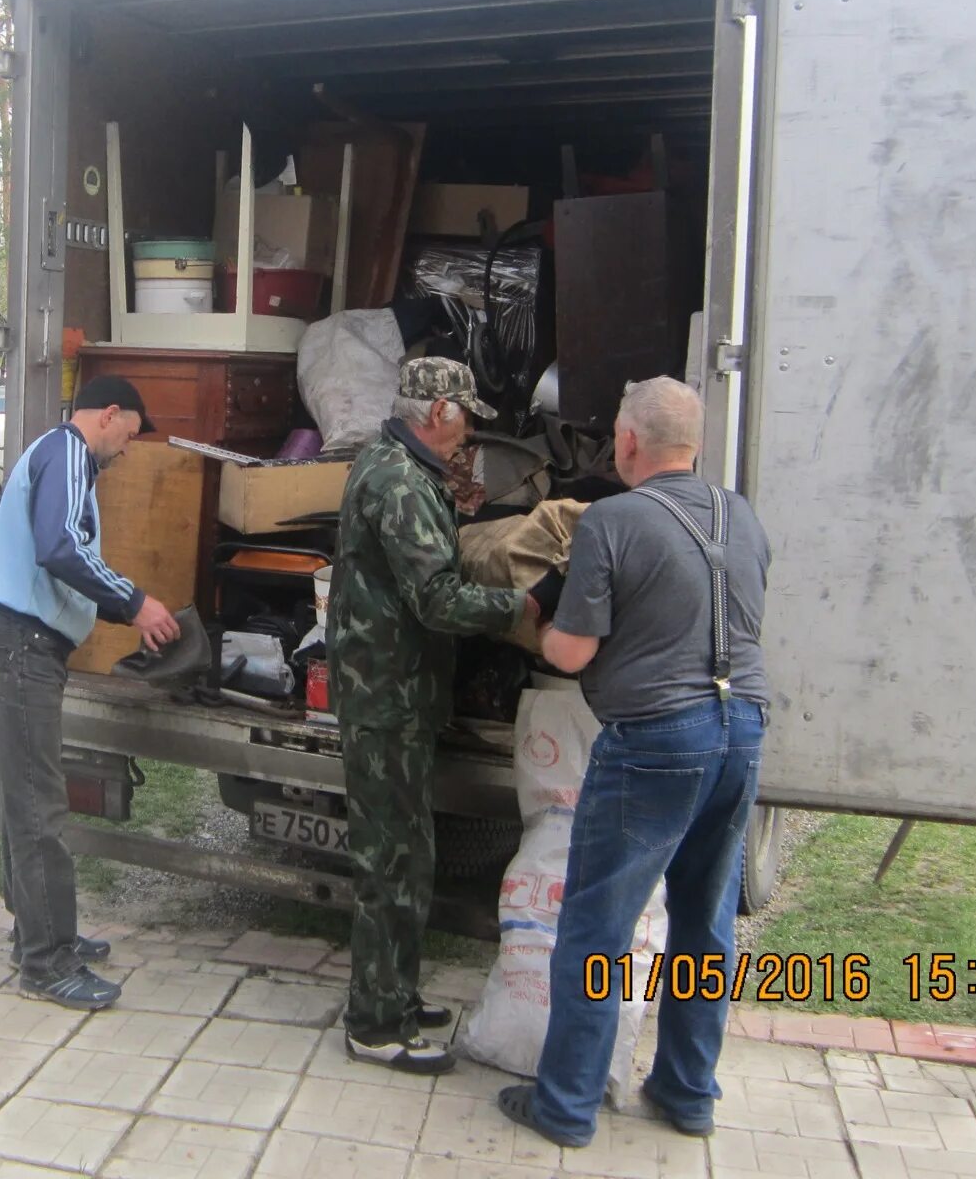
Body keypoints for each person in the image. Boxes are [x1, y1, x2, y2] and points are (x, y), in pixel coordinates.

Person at [497, 376, 772, 1148]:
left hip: (656, 739)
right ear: (695, 446)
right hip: (742, 728)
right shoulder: (739, 515)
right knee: (705, 921)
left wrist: (537, 627)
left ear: (625, 443)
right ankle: (688, 1094)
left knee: (596, 926)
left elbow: (573, 649)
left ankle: (565, 1106)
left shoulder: (612, 521)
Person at [330, 357, 529, 1073]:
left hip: (398, 693)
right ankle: (376, 1025)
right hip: (386, 700)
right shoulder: (399, 481)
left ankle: (397, 993)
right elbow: (438, 600)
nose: (469, 431)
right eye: (466, 417)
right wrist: (522, 608)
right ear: (439, 412)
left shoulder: (397, 466)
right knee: (389, 861)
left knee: (409, 854)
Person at [0, 375, 180, 1009]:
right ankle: (47, 962)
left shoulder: (62, 459)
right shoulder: (66, 451)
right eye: (131, 434)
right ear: (110, 414)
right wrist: (134, 603)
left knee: (26, 798)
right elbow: (59, 548)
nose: (128, 448)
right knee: (39, 807)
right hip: (20, 649)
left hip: (24, 647)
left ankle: (36, 932)